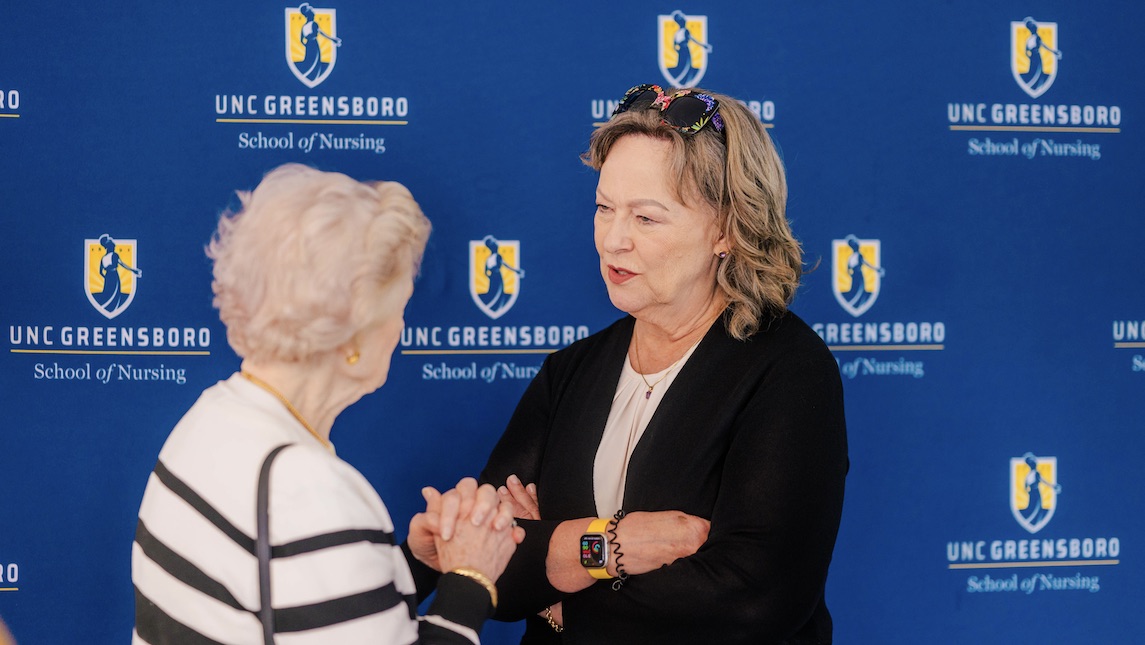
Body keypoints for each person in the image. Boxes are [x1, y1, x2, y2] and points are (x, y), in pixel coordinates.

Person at [476, 85, 848, 643]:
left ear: (725, 228)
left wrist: (559, 592)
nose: (613, 240)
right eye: (604, 208)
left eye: (646, 218)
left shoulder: (789, 371)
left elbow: (750, 602)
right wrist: (611, 545)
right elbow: (490, 563)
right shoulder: (571, 370)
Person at [131, 163, 524, 644]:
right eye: (398, 308)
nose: (401, 330)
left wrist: (415, 566)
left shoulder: (209, 419)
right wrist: (471, 579)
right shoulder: (306, 491)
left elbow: (298, 606)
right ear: (351, 338)